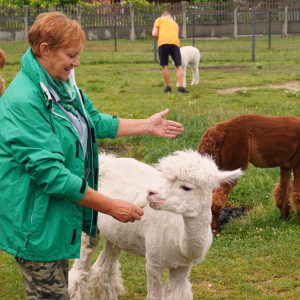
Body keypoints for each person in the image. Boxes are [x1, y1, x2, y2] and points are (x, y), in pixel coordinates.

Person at [0, 12, 184, 300]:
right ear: (45, 50)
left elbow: (93, 121)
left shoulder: (61, 85)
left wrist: (146, 126)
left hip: (57, 216)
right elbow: (52, 175)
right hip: (36, 221)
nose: (77, 63)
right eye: (71, 55)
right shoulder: (24, 100)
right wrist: (109, 206)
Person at [152, 12, 189, 94]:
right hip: (175, 43)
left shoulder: (159, 19)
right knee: (178, 66)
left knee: (164, 65)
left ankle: (168, 87)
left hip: (163, 43)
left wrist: (161, 38)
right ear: (170, 17)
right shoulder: (175, 24)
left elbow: (154, 33)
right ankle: (180, 87)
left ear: (162, 16)